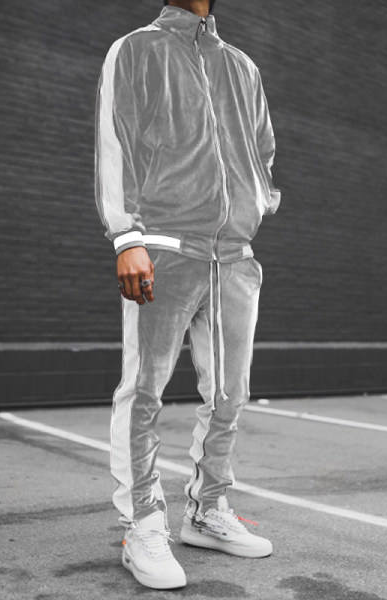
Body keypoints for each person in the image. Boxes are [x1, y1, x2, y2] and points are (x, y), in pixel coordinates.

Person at [94, 0, 281, 590]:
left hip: (235, 256)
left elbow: (262, 147)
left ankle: (208, 509)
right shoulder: (137, 49)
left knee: (230, 392)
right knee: (144, 390)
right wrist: (127, 236)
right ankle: (143, 522)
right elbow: (116, 141)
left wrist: (257, 199)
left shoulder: (242, 67)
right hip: (164, 248)